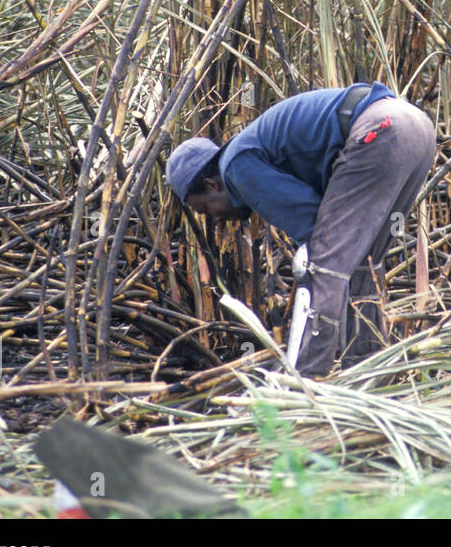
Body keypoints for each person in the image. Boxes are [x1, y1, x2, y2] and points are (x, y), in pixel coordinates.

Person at [166, 83, 436, 376]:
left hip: (380, 131)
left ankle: (308, 379)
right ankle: (367, 370)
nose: (216, 219)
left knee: (323, 265)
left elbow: (315, 225)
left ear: (211, 185)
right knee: (363, 261)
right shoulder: (246, 152)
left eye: (205, 209)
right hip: (415, 126)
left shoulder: (236, 167)